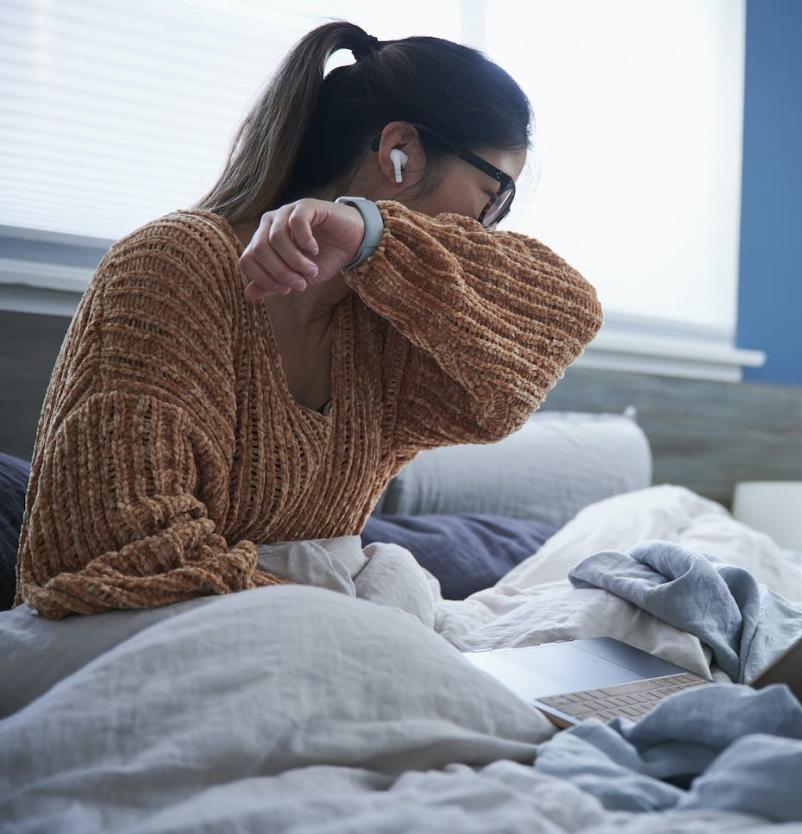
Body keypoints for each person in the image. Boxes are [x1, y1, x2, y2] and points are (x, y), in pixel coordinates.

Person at [14, 22, 603, 619]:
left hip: (297, 634)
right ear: (400, 150)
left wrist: (373, 233)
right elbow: (115, 553)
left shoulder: (381, 332)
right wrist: (346, 622)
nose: (486, 229)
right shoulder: (176, 263)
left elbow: (565, 316)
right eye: (492, 193)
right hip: (143, 637)